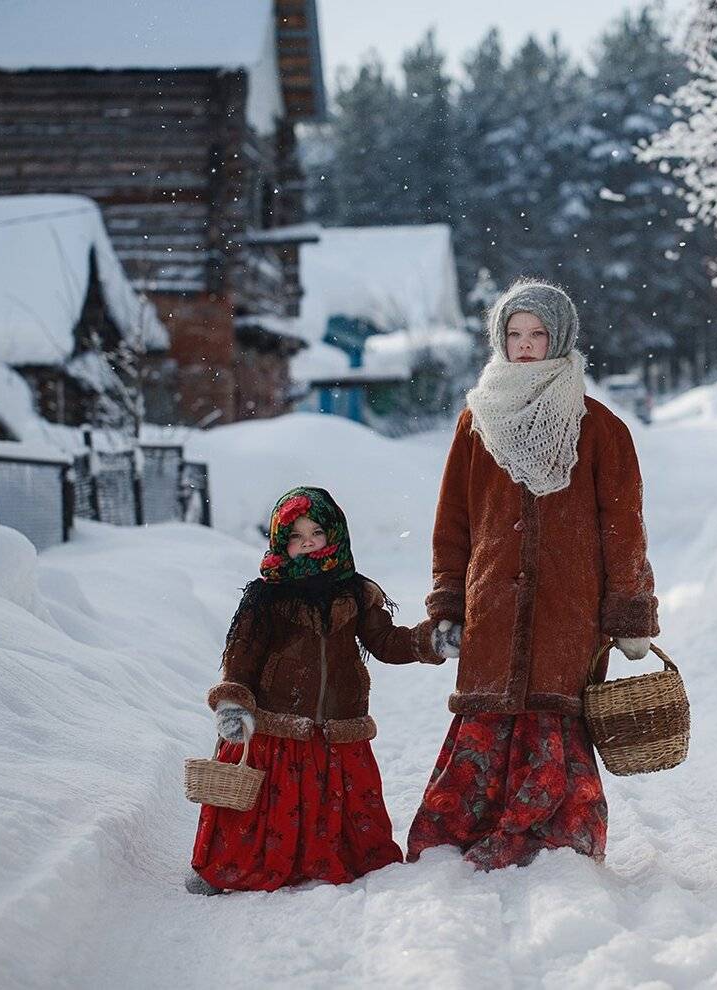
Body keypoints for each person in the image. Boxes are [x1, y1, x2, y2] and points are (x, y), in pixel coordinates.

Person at [407, 279, 659, 870]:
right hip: (491, 605)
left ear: (561, 337)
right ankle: (469, 830)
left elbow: (623, 527)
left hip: (568, 609)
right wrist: (447, 603)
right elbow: (454, 522)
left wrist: (629, 610)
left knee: (554, 720)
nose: (524, 346)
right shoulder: (475, 422)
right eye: (514, 334)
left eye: (537, 334)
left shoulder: (600, 428)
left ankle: (552, 836)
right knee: (487, 719)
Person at [187, 486, 445, 894]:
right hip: (278, 729)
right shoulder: (266, 597)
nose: (306, 542)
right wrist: (233, 702)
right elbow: (242, 656)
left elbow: (386, 641)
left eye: (316, 533)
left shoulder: (355, 593)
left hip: (339, 725)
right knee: (264, 809)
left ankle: (329, 857)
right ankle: (230, 863)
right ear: (279, 540)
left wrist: (428, 642)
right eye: (295, 535)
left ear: (335, 535)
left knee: (348, 818)